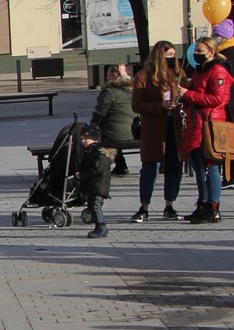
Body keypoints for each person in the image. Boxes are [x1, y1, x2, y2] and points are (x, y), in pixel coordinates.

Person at [176, 37, 231, 224]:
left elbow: (219, 99)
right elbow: (193, 94)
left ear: (211, 52)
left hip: (210, 124)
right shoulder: (200, 71)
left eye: (200, 51)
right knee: (199, 168)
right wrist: (182, 96)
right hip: (196, 124)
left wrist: (189, 94)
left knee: (211, 167)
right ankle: (203, 203)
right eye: (195, 51)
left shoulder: (218, 70)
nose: (196, 54)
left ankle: (213, 207)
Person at [131, 41, 183, 222]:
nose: (172, 59)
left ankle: (170, 204)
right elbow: (137, 105)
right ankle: (144, 207)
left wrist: (181, 100)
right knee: (150, 168)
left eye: (173, 56)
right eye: (168, 56)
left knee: (175, 166)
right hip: (153, 128)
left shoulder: (178, 74)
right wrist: (159, 105)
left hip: (174, 126)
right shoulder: (143, 76)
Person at [90, 63, 134, 176]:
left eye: (108, 75)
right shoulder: (132, 91)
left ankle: (101, 167)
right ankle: (121, 165)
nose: (106, 77)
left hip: (115, 135)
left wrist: (92, 126)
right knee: (115, 129)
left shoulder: (109, 92)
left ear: (114, 75)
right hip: (134, 133)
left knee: (102, 132)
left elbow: (99, 114)